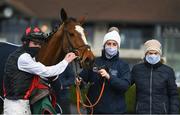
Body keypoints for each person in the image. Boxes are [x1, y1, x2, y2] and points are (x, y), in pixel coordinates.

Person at [3, 26, 77, 115]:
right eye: (35, 43)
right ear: (26, 42)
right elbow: (46, 71)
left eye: (40, 44)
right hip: (16, 107)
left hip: (21, 104)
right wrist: (66, 61)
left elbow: (42, 75)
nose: (38, 46)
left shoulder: (26, 57)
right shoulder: (24, 58)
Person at [77, 27, 131, 114]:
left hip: (116, 112)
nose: (111, 46)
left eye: (114, 44)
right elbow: (82, 81)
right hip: (94, 111)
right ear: (104, 45)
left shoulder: (123, 65)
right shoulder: (94, 62)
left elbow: (125, 86)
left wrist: (109, 77)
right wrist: (79, 82)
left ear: (118, 46)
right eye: (108, 43)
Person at [131, 39, 180, 114]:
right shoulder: (137, 69)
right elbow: (124, 84)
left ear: (159, 54)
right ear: (146, 54)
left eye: (155, 53)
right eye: (150, 53)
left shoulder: (168, 71)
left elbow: (173, 95)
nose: (153, 55)